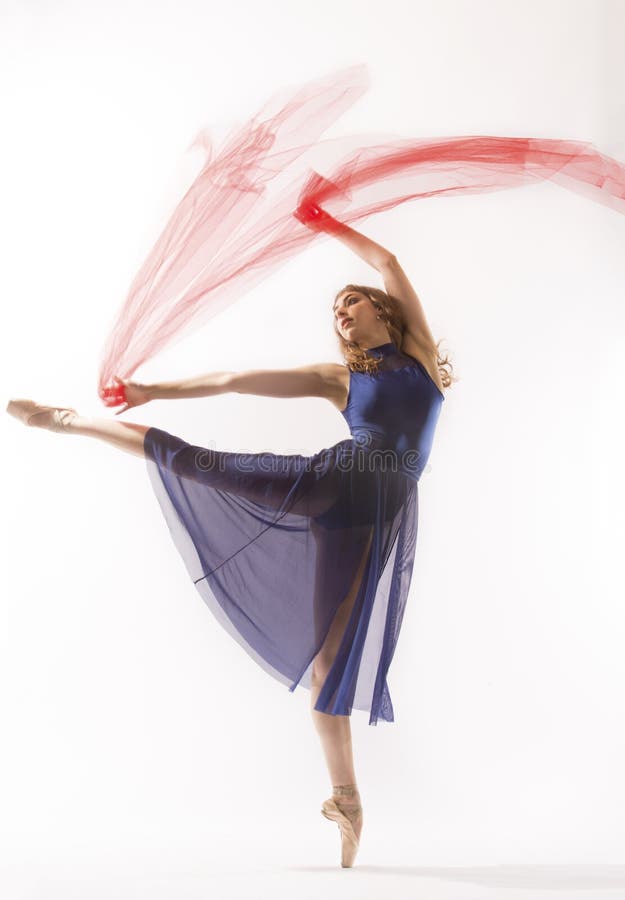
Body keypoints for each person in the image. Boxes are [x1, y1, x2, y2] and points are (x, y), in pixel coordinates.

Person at [6, 211, 452, 867]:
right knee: (200, 463)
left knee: (327, 671)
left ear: (381, 310)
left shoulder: (415, 358)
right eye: (333, 308)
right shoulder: (340, 378)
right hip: (332, 485)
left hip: (375, 514)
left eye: (348, 301)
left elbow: (385, 260)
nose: (340, 313)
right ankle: (69, 421)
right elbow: (238, 381)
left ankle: (347, 802)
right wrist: (152, 389)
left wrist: (324, 219)